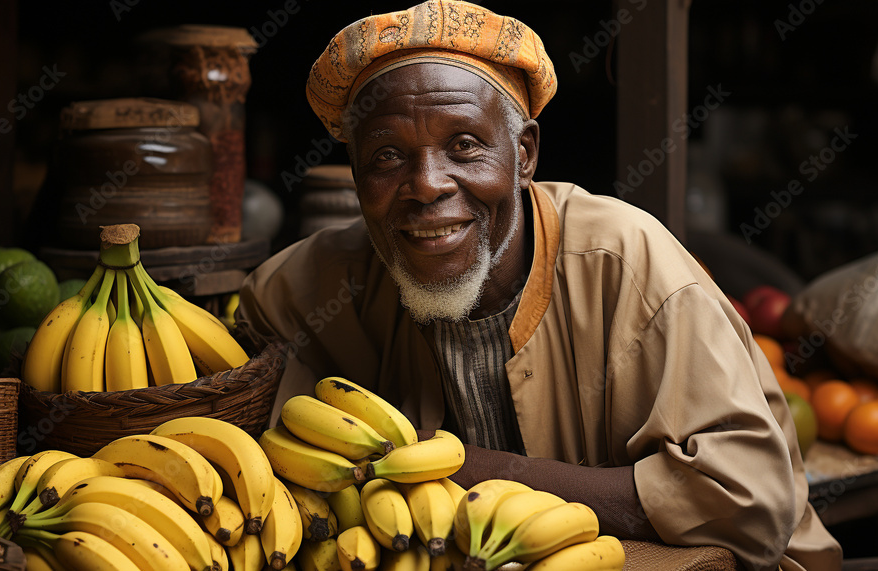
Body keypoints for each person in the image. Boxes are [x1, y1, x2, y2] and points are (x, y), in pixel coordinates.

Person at [236, 1, 843, 569]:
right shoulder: (308, 289)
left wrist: (466, 469)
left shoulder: (626, 259)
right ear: (357, 175)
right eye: (388, 156)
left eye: (465, 145)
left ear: (523, 154)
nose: (426, 185)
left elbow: (751, 501)